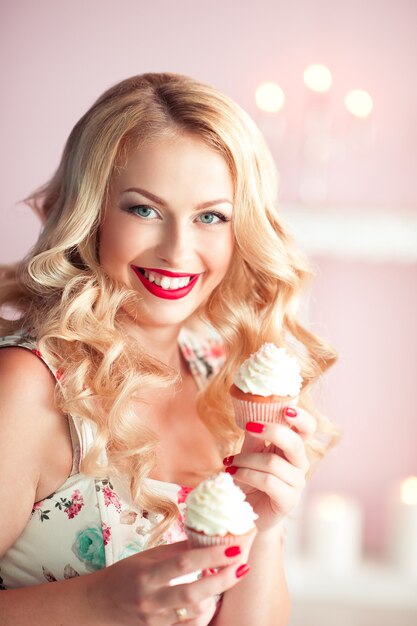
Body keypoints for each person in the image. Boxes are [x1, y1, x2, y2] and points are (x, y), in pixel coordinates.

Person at [0, 72, 338, 625]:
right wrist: (94, 602)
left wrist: (265, 526)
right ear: (92, 214)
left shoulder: (222, 373)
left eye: (211, 216)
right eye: (144, 209)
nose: (179, 251)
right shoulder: (28, 386)